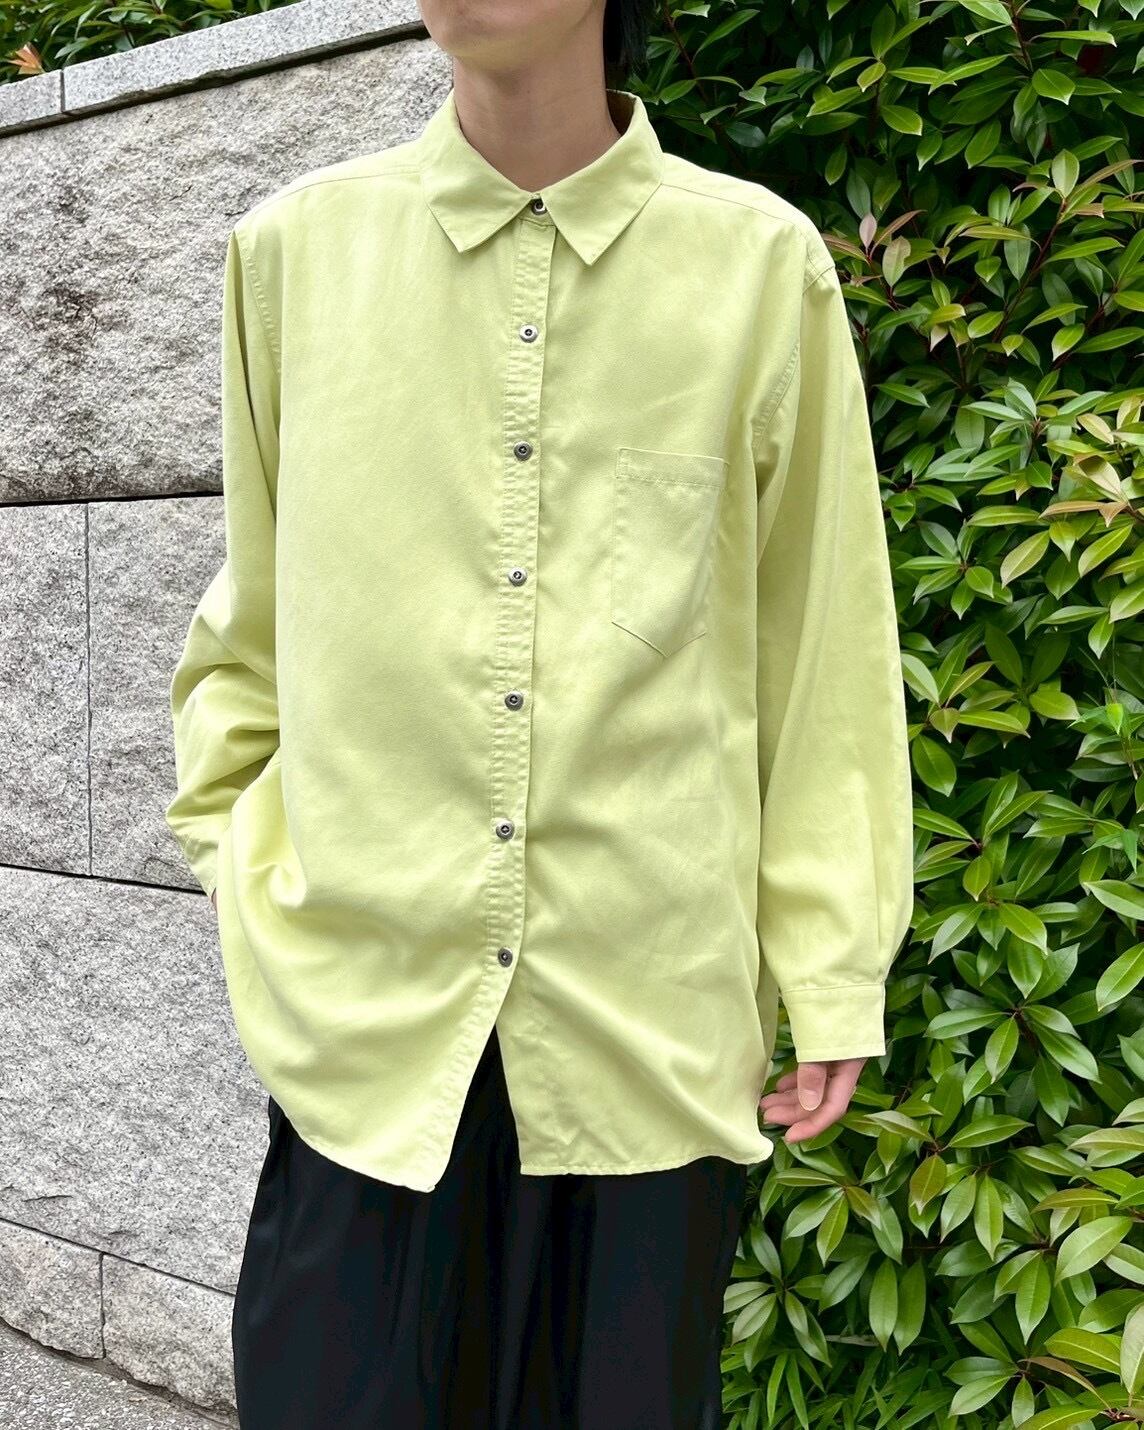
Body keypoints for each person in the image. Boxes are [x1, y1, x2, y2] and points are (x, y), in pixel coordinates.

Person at [164, 0, 915, 1425]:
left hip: (644, 1043)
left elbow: (821, 652)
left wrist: (830, 965)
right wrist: (246, 874)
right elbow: (247, 634)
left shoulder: (757, 268)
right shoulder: (293, 256)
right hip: (366, 1044)